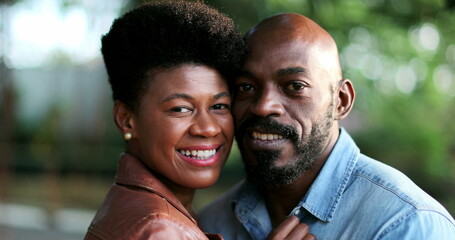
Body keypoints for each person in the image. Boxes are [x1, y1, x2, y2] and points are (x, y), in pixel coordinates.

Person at [198, 13, 455, 239]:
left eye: (295, 86)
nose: (263, 106)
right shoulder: (207, 225)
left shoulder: (407, 224)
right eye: (246, 87)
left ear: (341, 101)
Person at [83, 1, 244, 239]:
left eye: (219, 106)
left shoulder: (130, 202)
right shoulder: (160, 229)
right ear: (127, 120)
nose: (208, 128)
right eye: (180, 109)